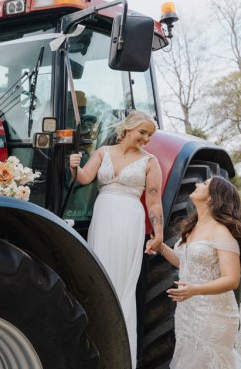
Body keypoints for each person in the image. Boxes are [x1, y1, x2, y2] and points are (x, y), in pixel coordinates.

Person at [69, 110, 164, 369]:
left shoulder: (150, 161)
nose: (146, 139)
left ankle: (120, 356)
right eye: (142, 132)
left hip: (129, 218)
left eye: (150, 135)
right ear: (128, 129)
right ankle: (96, 349)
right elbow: (85, 178)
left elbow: (154, 202)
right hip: (104, 216)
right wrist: (74, 166)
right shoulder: (103, 152)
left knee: (122, 283)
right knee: (101, 276)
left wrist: (159, 235)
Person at [151, 176, 241, 368]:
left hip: (213, 316)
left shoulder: (222, 232)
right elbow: (184, 263)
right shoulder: (193, 227)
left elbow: (232, 279)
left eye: (204, 184)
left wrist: (196, 290)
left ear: (212, 197)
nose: (196, 184)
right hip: (188, 312)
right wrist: (161, 247)